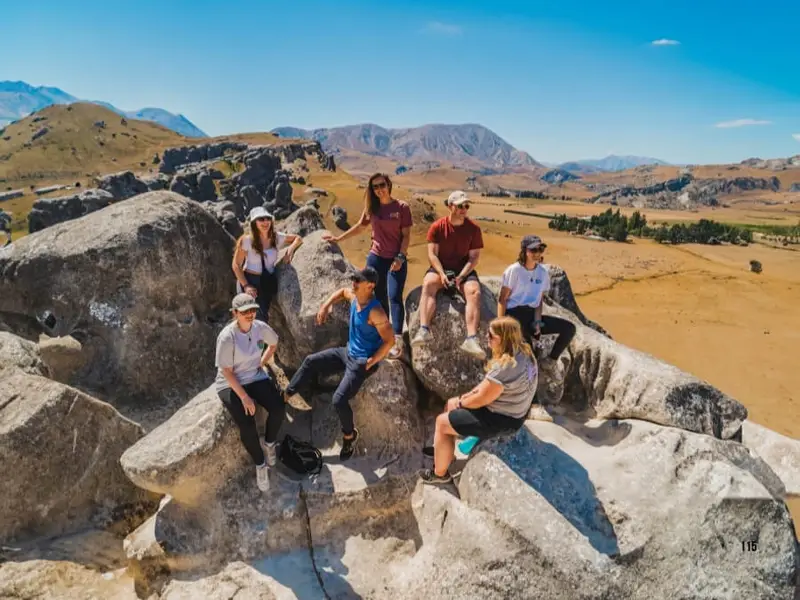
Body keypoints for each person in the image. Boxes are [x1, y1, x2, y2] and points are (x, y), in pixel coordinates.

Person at [283, 266, 395, 461]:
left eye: (357, 281)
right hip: (347, 352)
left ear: (370, 286)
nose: (353, 283)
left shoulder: (376, 312)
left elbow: (390, 341)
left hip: (361, 361)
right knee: (310, 361)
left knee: (338, 400)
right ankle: (287, 394)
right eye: (354, 280)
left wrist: (372, 361)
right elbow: (342, 292)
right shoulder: (354, 296)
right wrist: (325, 305)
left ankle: (350, 436)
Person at [419, 316, 537, 484]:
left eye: (491, 336)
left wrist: (462, 402)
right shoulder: (524, 351)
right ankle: (445, 454)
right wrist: (460, 399)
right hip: (516, 410)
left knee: (441, 423)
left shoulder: (505, 367)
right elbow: (485, 387)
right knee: (451, 403)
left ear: (504, 339)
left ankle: (439, 475)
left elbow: (481, 399)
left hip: (505, 420)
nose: (486, 338)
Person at [323, 173, 412, 359]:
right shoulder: (372, 208)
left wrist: (401, 257)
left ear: (389, 185)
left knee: (394, 296)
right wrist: (338, 238)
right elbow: (360, 226)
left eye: (382, 185)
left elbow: (406, 236)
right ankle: (383, 338)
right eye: (375, 187)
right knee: (377, 297)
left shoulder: (402, 207)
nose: (379, 189)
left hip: (396, 258)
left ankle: (397, 341)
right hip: (376, 257)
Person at [497, 234, 576, 421]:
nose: (537, 253)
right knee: (529, 354)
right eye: (533, 250)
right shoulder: (514, 271)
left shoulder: (542, 273)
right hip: (514, 315)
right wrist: (500, 325)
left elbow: (538, 300)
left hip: (531, 315)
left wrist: (538, 322)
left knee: (568, 329)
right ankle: (532, 403)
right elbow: (503, 299)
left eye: (540, 249)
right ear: (524, 251)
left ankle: (550, 361)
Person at [215, 293, 286, 492]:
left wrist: (262, 362)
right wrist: (244, 397)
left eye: (253, 310)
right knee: (247, 424)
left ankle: (270, 442)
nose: (250, 314)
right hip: (230, 382)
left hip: (254, 375)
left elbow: (274, 343)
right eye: (245, 311)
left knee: (278, 407)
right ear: (235, 313)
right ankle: (260, 463)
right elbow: (226, 371)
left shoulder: (259, 328)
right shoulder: (227, 337)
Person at [410, 190, 485, 359]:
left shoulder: (474, 229)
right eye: (460, 206)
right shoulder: (437, 227)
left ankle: (471, 338)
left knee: (474, 291)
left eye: (466, 206)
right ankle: (424, 329)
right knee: (428, 284)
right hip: (441, 268)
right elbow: (432, 255)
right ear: (450, 206)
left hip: (463, 269)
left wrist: (461, 277)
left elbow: (474, 258)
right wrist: (442, 274)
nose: (464, 209)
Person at [232, 206, 303, 322]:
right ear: (254, 223)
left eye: (267, 218)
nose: (265, 222)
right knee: (252, 317)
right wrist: (246, 285)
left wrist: (289, 251)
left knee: (263, 317)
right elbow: (236, 265)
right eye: (261, 219)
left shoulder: (276, 237)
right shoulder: (247, 241)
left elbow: (298, 238)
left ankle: (259, 340)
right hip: (249, 280)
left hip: (266, 281)